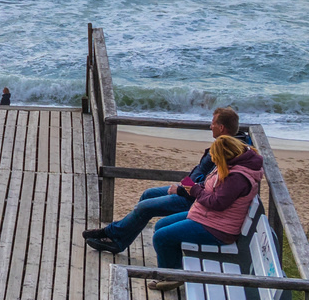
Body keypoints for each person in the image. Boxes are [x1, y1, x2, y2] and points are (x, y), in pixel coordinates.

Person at [83, 106, 242, 255]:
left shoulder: (227, 151)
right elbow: (204, 176)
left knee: (145, 207)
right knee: (148, 194)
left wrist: (181, 189)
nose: (210, 126)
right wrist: (184, 183)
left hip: (192, 198)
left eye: (213, 123)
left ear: (222, 128)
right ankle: (119, 239)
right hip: (188, 188)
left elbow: (210, 184)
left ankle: (112, 234)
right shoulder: (224, 144)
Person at [144, 133, 264, 292]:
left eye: (215, 157)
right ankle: (173, 269)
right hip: (209, 216)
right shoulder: (234, 166)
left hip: (218, 228)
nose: (213, 161)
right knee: (160, 226)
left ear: (224, 156)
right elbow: (214, 192)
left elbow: (218, 203)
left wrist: (194, 190)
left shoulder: (237, 177)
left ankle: (172, 277)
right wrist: (192, 187)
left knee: (161, 237)